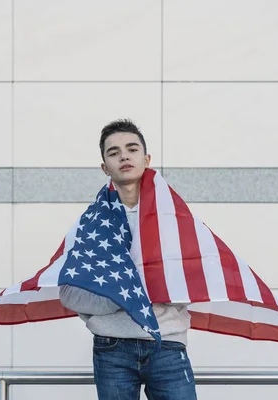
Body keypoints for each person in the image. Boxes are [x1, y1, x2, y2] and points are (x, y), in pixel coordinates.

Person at [59, 119, 198, 400]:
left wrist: (144, 289)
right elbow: (69, 294)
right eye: (113, 152)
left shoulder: (175, 219)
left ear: (146, 159)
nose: (123, 156)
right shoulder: (88, 225)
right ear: (104, 167)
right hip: (112, 349)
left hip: (167, 345)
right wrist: (122, 297)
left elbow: (193, 281)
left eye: (131, 149)